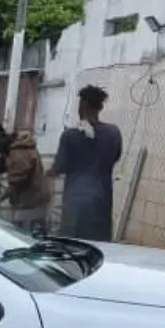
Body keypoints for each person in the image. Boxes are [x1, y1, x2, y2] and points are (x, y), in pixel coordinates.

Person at [49, 84, 123, 240]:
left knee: (72, 247)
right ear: (101, 107)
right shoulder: (113, 133)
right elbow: (115, 157)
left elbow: (59, 167)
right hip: (101, 203)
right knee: (98, 247)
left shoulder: (70, 136)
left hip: (75, 204)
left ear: (81, 106)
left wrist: (45, 175)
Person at [0, 130, 51, 233]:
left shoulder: (19, 154)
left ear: (0, 140)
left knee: (21, 234)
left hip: (32, 201)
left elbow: (14, 186)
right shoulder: (11, 148)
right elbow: (0, 167)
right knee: (33, 231)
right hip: (33, 198)